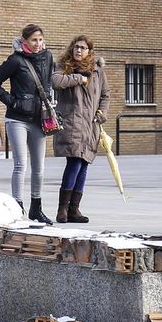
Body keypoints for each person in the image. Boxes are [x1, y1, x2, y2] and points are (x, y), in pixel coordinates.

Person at [0, 23, 55, 224]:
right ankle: (17, 208)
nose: (38, 44)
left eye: (40, 39)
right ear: (24, 41)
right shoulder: (15, 60)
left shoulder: (48, 57)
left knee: (39, 167)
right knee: (21, 165)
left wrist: (51, 99)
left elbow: (50, 81)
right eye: (34, 40)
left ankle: (36, 208)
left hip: (39, 118)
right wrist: (13, 101)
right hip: (17, 119)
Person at [51, 35, 109, 224]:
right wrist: (78, 78)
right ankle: (62, 209)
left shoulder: (98, 71)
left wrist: (102, 112)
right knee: (74, 162)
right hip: (72, 123)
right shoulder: (63, 67)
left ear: (89, 51)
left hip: (91, 124)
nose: (78, 50)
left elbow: (105, 95)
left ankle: (74, 209)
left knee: (84, 165)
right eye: (76, 47)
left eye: (83, 48)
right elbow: (56, 82)